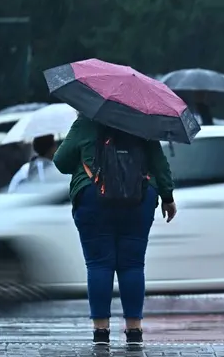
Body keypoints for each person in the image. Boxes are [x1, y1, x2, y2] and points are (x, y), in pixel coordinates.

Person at [52, 114, 176, 346]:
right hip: (139, 198)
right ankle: (134, 329)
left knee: (99, 264)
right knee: (132, 264)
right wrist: (167, 197)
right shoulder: (141, 122)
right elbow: (159, 163)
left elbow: (61, 162)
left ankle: (101, 331)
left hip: (93, 197)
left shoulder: (87, 121)